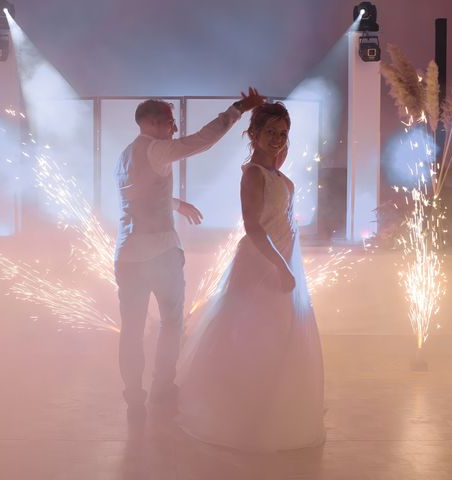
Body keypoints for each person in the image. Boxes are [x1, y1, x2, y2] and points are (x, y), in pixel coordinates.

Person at [177, 102, 325, 451]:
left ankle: (270, 407)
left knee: (280, 335)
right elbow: (253, 228)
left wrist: (287, 264)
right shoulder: (253, 174)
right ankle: (241, 412)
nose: (277, 139)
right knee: (251, 338)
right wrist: (280, 266)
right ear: (253, 134)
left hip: (284, 259)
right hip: (262, 263)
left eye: (283, 134)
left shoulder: (275, 172)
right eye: (270, 132)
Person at [115, 89, 264, 423]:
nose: (175, 129)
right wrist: (238, 108)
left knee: (132, 329)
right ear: (153, 122)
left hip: (125, 255)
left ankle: (134, 397)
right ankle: (163, 387)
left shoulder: (124, 156)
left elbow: (141, 195)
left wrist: (178, 204)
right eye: (170, 121)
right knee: (171, 323)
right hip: (159, 255)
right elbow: (202, 141)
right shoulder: (157, 149)